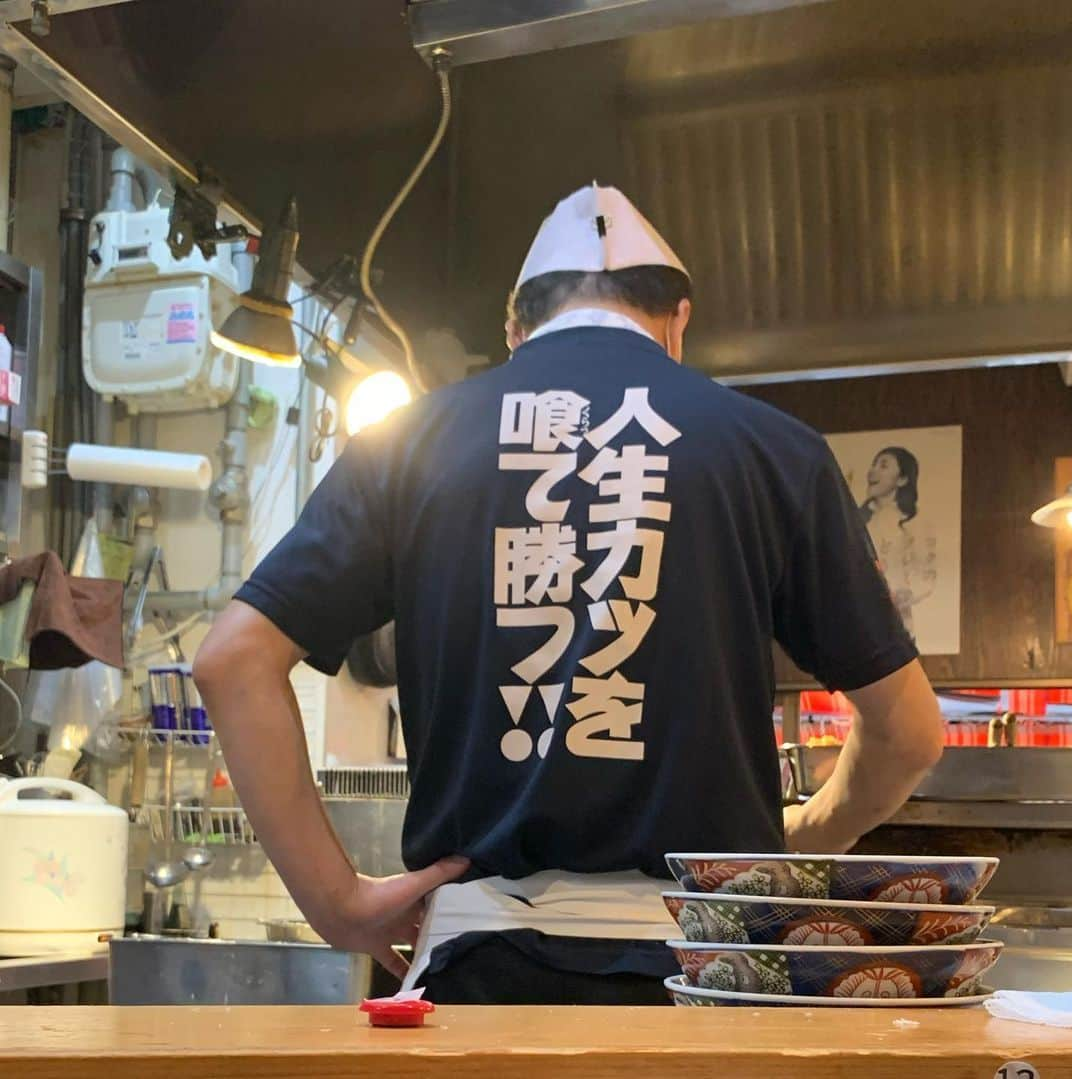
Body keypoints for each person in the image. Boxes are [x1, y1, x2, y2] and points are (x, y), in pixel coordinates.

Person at [193, 183, 944, 1005]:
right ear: (677, 323)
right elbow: (908, 734)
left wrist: (336, 903)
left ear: (516, 332)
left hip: (477, 985)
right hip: (712, 988)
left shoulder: (405, 445)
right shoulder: (777, 453)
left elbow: (232, 662)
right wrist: (807, 832)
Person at [860, 446, 938, 641]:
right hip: (857, 627)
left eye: (883, 465)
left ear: (902, 479)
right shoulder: (856, 520)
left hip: (896, 629)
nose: (873, 471)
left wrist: (901, 596)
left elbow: (926, 575)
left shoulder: (914, 521)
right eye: (873, 465)